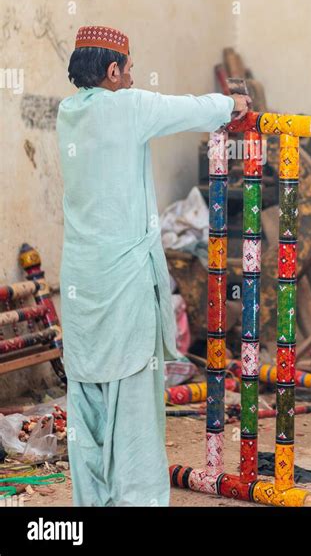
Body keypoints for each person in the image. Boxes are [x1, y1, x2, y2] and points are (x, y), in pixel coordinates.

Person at [56, 25, 251, 506]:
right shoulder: (128, 107)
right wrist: (232, 105)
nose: (133, 76)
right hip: (123, 284)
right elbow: (186, 108)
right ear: (112, 69)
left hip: (81, 280)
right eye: (129, 67)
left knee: (88, 398)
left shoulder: (68, 113)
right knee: (136, 405)